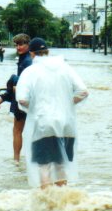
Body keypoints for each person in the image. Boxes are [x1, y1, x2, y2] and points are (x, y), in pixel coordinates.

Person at [16, 37, 89, 189]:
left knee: (44, 167)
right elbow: (83, 92)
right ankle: (63, 203)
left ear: (32, 54)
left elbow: (22, 99)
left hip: (44, 124)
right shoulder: (65, 67)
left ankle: (48, 204)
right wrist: (68, 104)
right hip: (66, 124)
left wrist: (34, 108)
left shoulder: (30, 71)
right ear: (48, 52)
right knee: (60, 165)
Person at [0, 33, 33, 162]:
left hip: (23, 100)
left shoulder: (26, 61)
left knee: (17, 130)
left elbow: (21, 84)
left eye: (21, 44)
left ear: (28, 45)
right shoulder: (27, 59)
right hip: (29, 100)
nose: (18, 47)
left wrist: (5, 97)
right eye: (17, 44)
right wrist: (4, 98)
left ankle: (16, 160)